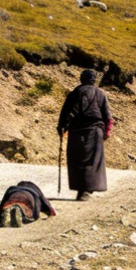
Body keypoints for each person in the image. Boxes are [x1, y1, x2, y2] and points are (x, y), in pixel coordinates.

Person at [57, 69, 112, 201]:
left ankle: (82, 190)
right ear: (93, 80)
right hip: (95, 131)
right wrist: (107, 132)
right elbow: (108, 117)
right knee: (93, 161)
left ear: (82, 79)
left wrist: (61, 127)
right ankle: (87, 190)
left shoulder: (75, 93)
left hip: (76, 131)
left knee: (77, 160)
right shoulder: (100, 94)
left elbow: (66, 113)